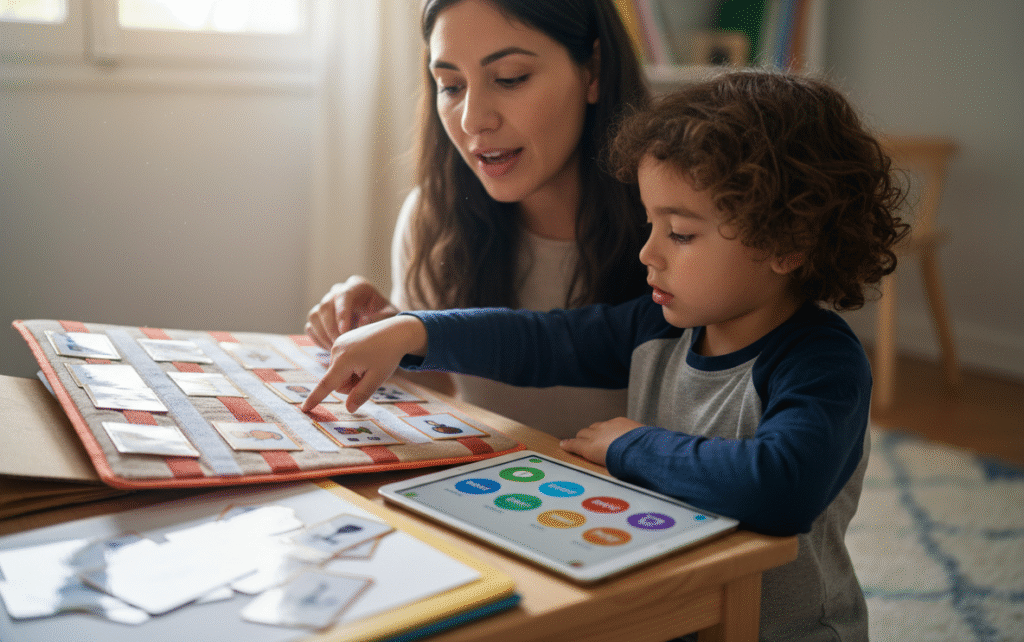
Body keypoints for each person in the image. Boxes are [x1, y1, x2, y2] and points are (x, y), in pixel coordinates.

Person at [303, 70, 909, 641]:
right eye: (651, 225)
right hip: (679, 606)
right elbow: (540, 342)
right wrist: (413, 331)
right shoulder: (657, 326)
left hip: (783, 630)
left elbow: (780, 489)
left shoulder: (823, 361)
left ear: (788, 242)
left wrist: (629, 445)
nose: (648, 253)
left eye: (680, 232)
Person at [304, 0, 651, 438]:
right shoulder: (434, 217)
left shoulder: (677, 224)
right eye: (450, 85)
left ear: (593, 71)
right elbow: (448, 398)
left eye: (510, 78)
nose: (472, 120)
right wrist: (385, 331)